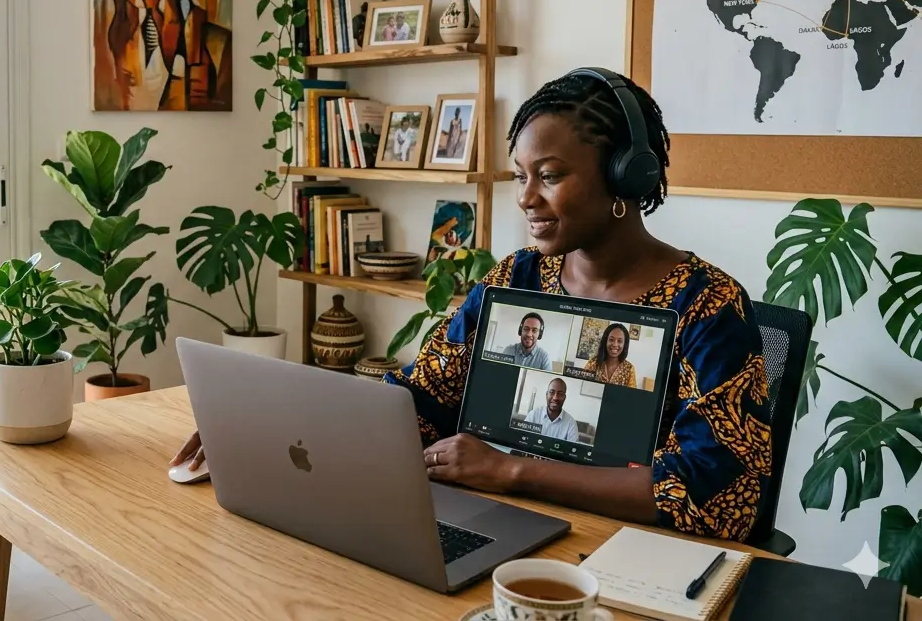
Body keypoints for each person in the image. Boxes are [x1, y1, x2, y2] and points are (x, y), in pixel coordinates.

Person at [174, 69, 771, 544]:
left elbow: (712, 494)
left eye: (551, 175)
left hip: (623, 558)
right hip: (487, 523)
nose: (526, 198)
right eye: (519, 176)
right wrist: (278, 420)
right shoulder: (518, 278)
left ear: (624, 177)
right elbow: (421, 396)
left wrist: (511, 470)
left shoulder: (707, 307)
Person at [585, 322, 638, 388]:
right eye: (611, 340)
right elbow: (583, 386)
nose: (615, 344)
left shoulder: (629, 369)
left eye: (619, 341)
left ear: (625, 345)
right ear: (605, 341)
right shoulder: (593, 363)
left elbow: (631, 396)